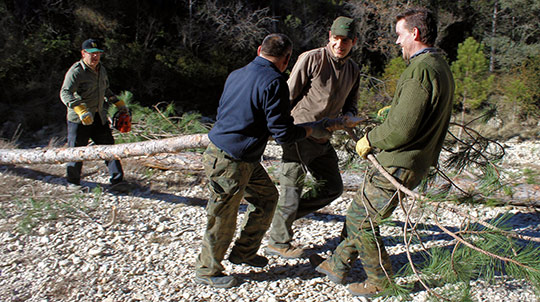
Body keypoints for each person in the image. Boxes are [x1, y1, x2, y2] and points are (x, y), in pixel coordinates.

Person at [310, 7, 455, 297]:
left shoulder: (420, 69)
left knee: (361, 222)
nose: (397, 42)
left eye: (400, 35)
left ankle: (380, 282)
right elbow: (417, 113)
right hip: (412, 160)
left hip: (399, 161)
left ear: (414, 33)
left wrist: (371, 139)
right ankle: (336, 264)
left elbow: (401, 129)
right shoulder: (438, 65)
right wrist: (395, 111)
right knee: (358, 213)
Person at [194, 33, 330, 288]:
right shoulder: (275, 81)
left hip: (237, 156)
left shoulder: (236, 73)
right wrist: (309, 130)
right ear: (286, 59)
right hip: (230, 160)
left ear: (259, 50)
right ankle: (208, 270)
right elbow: (283, 134)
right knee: (222, 215)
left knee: (267, 198)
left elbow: (228, 110)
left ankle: (244, 252)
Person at [266, 16, 360, 259]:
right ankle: (278, 241)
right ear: (330, 36)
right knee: (290, 190)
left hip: (324, 138)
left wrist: (350, 117)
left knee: (332, 187)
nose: (340, 44)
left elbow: (351, 105)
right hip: (299, 132)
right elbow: (287, 96)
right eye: (336, 39)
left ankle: (280, 219)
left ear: (353, 42)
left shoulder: (353, 69)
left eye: (346, 40)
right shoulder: (312, 58)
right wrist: (276, 128)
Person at [60, 38, 129, 190]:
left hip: (98, 116)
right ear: (83, 53)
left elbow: (106, 90)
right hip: (79, 119)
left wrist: (118, 103)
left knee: (109, 149)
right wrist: (79, 109)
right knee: (76, 151)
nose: (95, 57)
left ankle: (118, 181)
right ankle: (72, 183)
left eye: (98, 53)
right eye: (91, 54)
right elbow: (65, 93)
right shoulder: (76, 71)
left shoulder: (101, 69)